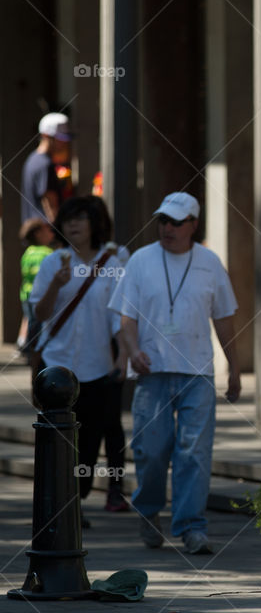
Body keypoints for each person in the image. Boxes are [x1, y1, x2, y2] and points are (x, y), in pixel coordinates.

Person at [109, 191, 240, 555]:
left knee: (194, 453)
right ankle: (149, 511)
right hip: (153, 372)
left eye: (176, 222)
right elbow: (125, 316)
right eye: (162, 221)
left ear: (193, 225)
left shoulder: (210, 262)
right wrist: (133, 352)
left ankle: (191, 527)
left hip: (197, 372)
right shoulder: (141, 260)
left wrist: (234, 368)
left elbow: (225, 319)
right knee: (151, 451)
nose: (167, 228)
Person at [29, 196, 128, 520]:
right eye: (68, 218)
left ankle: (76, 496)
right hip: (56, 364)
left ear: (94, 223)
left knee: (89, 439)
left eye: (80, 218)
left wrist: (123, 354)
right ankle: (64, 505)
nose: (73, 224)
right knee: (57, 440)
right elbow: (40, 314)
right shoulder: (52, 262)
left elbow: (119, 316)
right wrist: (56, 286)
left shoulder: (112, 263)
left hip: (97, 365)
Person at [21, 112, 72, 223]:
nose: (64, 143)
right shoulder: (45, 164)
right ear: (45, 136)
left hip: (35, 234)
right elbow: (51, 208)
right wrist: (60, 235)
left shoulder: (32, 159)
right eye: (60, 138)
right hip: (45, 236)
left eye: (65, 139)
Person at [18, 218, 56, 354]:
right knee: (39, 326)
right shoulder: (46, 253)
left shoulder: (27, 252)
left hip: (25, 294)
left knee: (31, 322)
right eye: (47, 230)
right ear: (38, 234)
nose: (51, 233)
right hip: (41, 296)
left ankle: (27, 347)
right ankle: (34, 349)